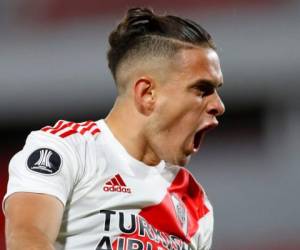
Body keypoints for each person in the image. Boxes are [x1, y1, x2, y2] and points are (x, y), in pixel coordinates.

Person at [3, 7, 225, 250]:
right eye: (202, 90)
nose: (218, 106)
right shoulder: (67, 150)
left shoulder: (195, 202)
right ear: (147, 93)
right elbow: (27, 238)